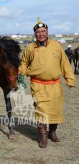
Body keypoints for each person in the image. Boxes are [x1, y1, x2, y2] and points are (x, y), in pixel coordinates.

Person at [18, 17, 75, 148]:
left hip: (55, 84)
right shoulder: (30, 48)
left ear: (47, 32)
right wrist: (20, 72)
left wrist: (70, 79)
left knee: (55, 110)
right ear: (35, 34)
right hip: (38, 85)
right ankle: (43, 136)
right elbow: (24, 63)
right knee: (41, 110)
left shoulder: (56, 46)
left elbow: (65, 63)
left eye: (43, 31)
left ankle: (52, 132)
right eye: (38, 32)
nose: (41, 34)